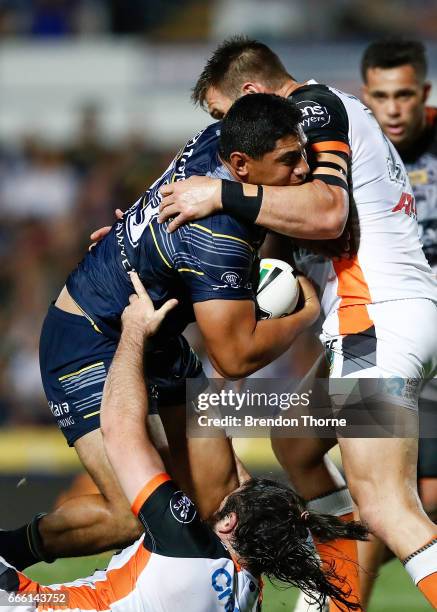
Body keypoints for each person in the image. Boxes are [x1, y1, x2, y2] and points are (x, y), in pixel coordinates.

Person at [157, 36, 437, 609]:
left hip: (375, 319)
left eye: (223, 115)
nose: (225, 135)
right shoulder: (318, 128)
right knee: (298, 442)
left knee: (386, 504)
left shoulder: (314, 105)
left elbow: (329, 212)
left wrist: (224, 192)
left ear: (255, 93)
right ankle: (334, 601)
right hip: (378, 319)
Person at [0, 94, 320, 569]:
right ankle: (9, 550)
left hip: (158, 335)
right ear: (241, 165)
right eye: (289, 161)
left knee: (220, 498)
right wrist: (305, 314)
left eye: (304, 154)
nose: (303, 170)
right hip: (89, 338)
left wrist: (137, 230)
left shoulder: (224, 138)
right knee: (127, 515)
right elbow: (234, 358)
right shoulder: (216, 238)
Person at [0, 273, 366, 612]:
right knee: (292, 448)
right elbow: (222, 472)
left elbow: (119, 429)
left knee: (390, 506)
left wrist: (135, 331)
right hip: (377, 356)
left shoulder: (182, 537)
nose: (240, 478)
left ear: (228, 524)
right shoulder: (247, 586)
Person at [356, 38, 437, 608]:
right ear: (366, 97)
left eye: (404, 94)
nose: (393, 108)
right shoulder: (349, 152)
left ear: (424, 94)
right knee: (300, 443)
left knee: (394, 497)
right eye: (381, 96)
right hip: (380, 331)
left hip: (414, 335)